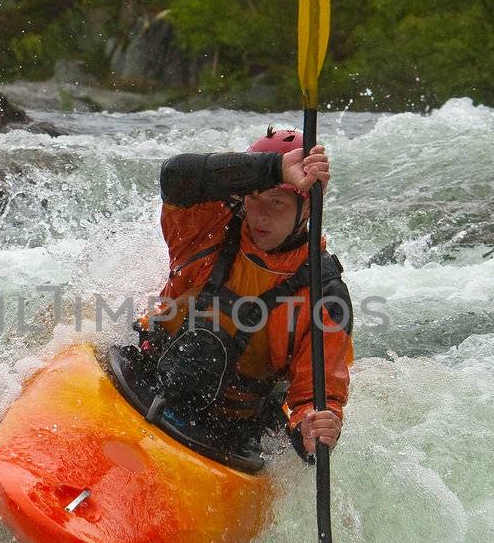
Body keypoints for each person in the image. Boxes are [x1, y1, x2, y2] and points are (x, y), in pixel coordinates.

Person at [113, 127, 352, 465]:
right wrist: (272, 169)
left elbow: (316, 397)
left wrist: (313, 428)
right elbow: (175, 176)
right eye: (254, 197)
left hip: (228, 430)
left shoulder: (324, 295)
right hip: (143, 376)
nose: (260, 215)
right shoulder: (209, 227)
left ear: (308, 209)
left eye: (277, 202)